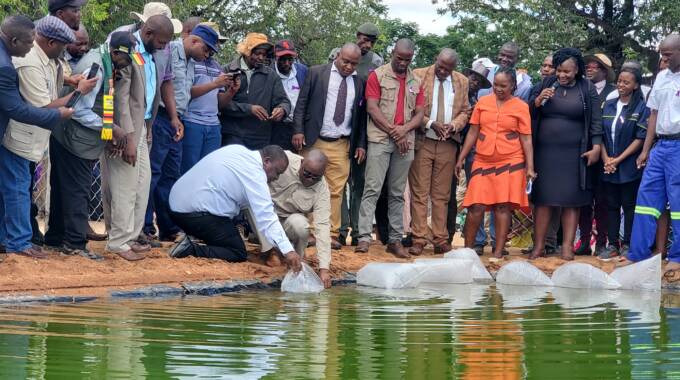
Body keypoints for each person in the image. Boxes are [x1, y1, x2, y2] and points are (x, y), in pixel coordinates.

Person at [2, 16, 96, 260]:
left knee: (19, 187)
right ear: (52, 42)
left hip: (32, 137)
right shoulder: (25, 62)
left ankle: (13, 239)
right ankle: (18, 243)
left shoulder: (45, 59)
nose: (67, 52)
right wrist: (75, 96)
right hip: (20, 136)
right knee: (17, 189)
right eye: (64, 47)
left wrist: (68, 80)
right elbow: (38, 107)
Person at [44, 31, 133, 260]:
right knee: (77, 191)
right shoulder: (96, 68)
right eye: (126, 60)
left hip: (75, 137)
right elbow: (78, 110)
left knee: (64, 189)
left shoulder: (105, 60)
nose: (127, 66)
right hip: (74, 139)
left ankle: (55, 239)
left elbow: (100, 103)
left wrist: (106, 133)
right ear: (115, 53)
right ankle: (74, 244)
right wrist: (112, 128)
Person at [101, 15, 174, 261]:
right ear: (149, 32)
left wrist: (148, 126)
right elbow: (121, 98)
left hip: (143, 126)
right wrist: (128, 136)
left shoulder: (149, 54)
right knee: (125, 185)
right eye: (162, 41)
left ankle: (129, 237)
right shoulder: (128, 50)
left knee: (142, 184)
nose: (165, 46)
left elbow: (148, 93)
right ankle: (118, 242)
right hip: (127, 129)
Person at [167, 144, 302, 274]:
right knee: (237, 252)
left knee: (248, 208)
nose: (276, 178)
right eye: (277, 173)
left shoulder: (238, 150)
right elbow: (267, 216)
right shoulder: (255, 174)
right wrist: (289, 251)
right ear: (266, 162)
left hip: (175, 205)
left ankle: (270, 250)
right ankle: (189, 249)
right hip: (192, 215)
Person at [144, 24, 220, 243]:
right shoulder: (168, 50)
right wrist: (173, 117)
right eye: (206, 50)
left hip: (178, 119)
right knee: (154, 173)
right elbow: (161, 84)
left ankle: (169, 227)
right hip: (161, 116)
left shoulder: (190, 61)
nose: (207, 55)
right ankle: (146, 227)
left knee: (170, 176)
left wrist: (178, 119)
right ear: (194, 41)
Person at [529, 48, 603, 261]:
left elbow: (596, 120)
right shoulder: (546, 83)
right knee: (543, 199)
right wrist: (537, 100)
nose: (562, 75)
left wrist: (596, 146)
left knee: (571, 200)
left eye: (567, 71)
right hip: (545, 153)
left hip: (574, 154)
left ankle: (567, 247)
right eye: (559, 70)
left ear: (577, 70)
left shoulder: (586, 87)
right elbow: (529, 112)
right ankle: (539, 246)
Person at [355, 38, 425, 258]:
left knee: (397, 193)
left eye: (407, 59)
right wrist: (395, 131)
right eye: (399, 58)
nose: (403, 63)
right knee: (372, 189)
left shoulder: (416, 81)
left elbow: (420, 114)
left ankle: (394, 240)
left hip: (405, 142)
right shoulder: (377, 75)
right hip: (380, 139)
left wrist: (403, 131)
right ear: (392, 53)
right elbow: (372, 108)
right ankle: (364, 237)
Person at [292, 43, 366, 249]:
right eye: (346, 61)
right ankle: (304, 231)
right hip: (314, 140)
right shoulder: (316, 73)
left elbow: (360, 118)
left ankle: (330, 233)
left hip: (342, 143)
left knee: (335, 190)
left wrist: (360, 144)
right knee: (305, 184)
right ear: (338, 56)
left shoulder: (359, 82)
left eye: (354, 64)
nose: (349, 67)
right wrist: (298, 131)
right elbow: (301, 104)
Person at [455, 67, 534, 259]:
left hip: (511, 159)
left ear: (513, 86)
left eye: (503, 86)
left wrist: (530, 167)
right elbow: (473, 131)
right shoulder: (483, 102)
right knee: (476, 206)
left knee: (502, 206)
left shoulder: (521, 107)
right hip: (483, 158)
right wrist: (461, 158)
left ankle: (498, 252)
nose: (498, 89)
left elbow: (526, 139)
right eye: (495, 85)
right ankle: (467, 251)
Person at [622, 34, 680, 275]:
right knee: (646, 200)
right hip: (660, 147)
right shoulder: (662, 78)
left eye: (668, 54)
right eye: (662, 54)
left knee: (677, 203)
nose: (664, 59)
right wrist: (646, 150)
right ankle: (638, 254)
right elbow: (653, 115)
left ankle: (676, 257)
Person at [409, 48, 470, 255]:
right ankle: (418, 238)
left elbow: (465, 110)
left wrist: (453, 125)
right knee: (419, 192)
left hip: (448, 143)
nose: (443, 71)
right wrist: (430, 123)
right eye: (440, 67)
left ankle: (440, 238)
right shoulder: (417, 75)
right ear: (436, 60)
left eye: (448, 69)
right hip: (423, 139)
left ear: (454, 68)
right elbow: (411, 107)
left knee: (442, 195)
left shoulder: (462, 81)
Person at [336, 23, 385, 247]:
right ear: (356, 36)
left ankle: (357, 232)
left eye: (370, 41)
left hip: (365, 129)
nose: (365, 44)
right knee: (339, 183)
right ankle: (339, 230)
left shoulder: (376, 62)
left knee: (360, 183)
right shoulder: (339, 54)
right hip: (341, 126)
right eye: (363, 39)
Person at [256, 149, 332, 287]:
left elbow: (323, 226)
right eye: (307, 173)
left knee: (301, 224)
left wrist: (324, 269)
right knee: (253, 204)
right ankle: (270, 251)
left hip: (286, 223)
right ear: (302, 163)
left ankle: (297, 258)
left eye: (316, 177)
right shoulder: (283, 160)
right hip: (264, 217)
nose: (310, 179)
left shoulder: (322, 188)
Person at [598, 67, 649, 259]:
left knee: (629, 205)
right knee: (610, 204)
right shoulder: (608, 105)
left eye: (626, 82)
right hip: (607, 163)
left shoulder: (641, 108)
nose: (621, 85)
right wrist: (606, 159)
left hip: (628, 164)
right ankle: (613, 245)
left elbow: (640, 138)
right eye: (619, 81)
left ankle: (627, 243)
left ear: (635, 85)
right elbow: (600, 134)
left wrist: (618, 160)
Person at [574, 53, 617, 256]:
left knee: (602, 201)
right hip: (582, 150)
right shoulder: (580, 88)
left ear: (604, 71)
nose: (589, 69)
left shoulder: (614, 92)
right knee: (583, 200)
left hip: (606, 153)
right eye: (588, 66)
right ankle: (583, 241)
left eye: (594, 67)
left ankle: (601, 242)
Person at [220, 33, 291, 149]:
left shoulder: (271, 75)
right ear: (247, 51)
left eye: (264, 54)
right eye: (257, 53)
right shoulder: (227, 70)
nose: (261, 58)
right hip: (232, 134)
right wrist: (249, 109)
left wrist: (282, 110)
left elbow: (284, 101)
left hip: (260, 137)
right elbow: (221, 104)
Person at [522, 53, 562, 255]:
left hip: (559, 151)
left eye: (550, 66)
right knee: (536, 196)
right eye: (544, 65)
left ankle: (550, 241)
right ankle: (537, 240)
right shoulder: (537, 88)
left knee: (554, 197)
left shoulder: (565, 89)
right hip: (537, 148)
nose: (546, 69)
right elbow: (527, 112)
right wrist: (537, 101)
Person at [270, 39, 307, 150]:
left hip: (299, 126)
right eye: (282, 59)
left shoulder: (303, 71)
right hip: (276, 128)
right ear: (276, 57)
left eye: (290, 59)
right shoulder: (269, 73)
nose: (287, 63)